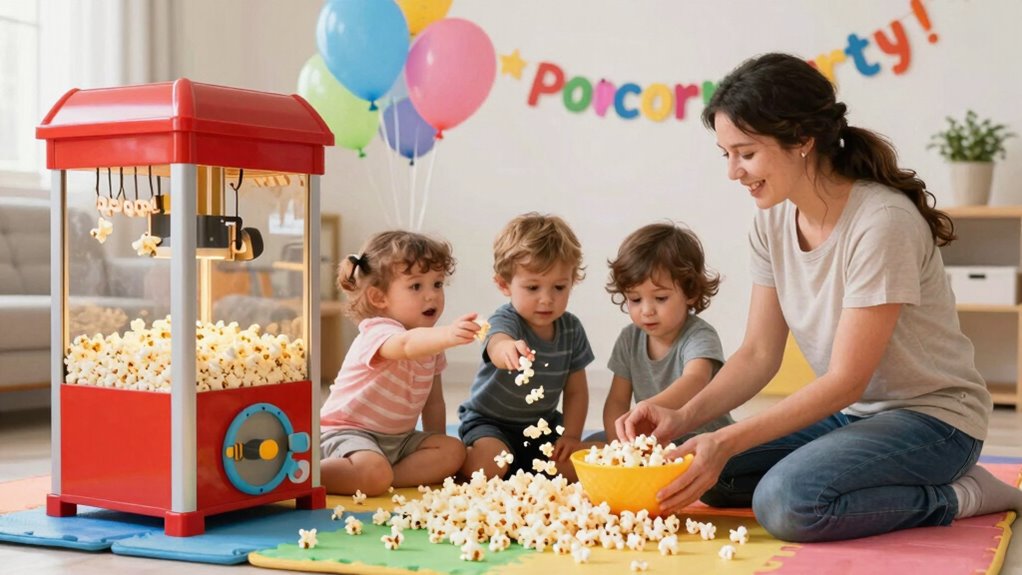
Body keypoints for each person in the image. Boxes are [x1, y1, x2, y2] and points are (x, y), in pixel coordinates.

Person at [619, 52, 1022, 542]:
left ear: (802, 140)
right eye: (726, 154)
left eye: (745, 153)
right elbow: (758, 354)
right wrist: (684, 417)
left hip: (934, 420)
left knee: (788, 502)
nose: (733, 172)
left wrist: (724, 439)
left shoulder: (882, 223)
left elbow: (847, 379)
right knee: (707, 473)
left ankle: (965, 493)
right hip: (854, 416)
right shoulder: (771, 221)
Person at [319, 230, 477, 495]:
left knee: (454, 451)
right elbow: (405, 345)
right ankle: (304, 474)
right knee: (372, 470)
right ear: (379, 297)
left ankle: (382, 479)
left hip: (399, 440)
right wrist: (449, 334)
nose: (431, 296)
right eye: (416, 286)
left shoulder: (431, 344)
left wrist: (435, 443)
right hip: (348, 433)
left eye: (437, 284)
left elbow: (434, 402)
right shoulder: (378, 331)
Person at [458, 212, 594, 481]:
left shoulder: (572, 329)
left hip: (542, 428)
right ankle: (467, 459)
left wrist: (571, 436)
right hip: (490, 424)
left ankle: (524, 468)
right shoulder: (506, 320)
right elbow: (497, 343)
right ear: (504, 284)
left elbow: (577, 391)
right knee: (488, 466)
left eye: (559, 287)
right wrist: (507, 349)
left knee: (581, 468)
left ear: (573, 281)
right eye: (533, 288)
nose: (547, 299)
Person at [591, 222, 734, 446]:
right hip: (654, 438)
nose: (647, 310)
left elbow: (695, 380)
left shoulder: (699, 335)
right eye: (635, 299)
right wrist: (618, 444)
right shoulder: (629, 339)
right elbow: (617, 400)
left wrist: (647, 407)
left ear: (690, 292)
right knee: (592, 443)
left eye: (660, 298)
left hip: (701, 440)